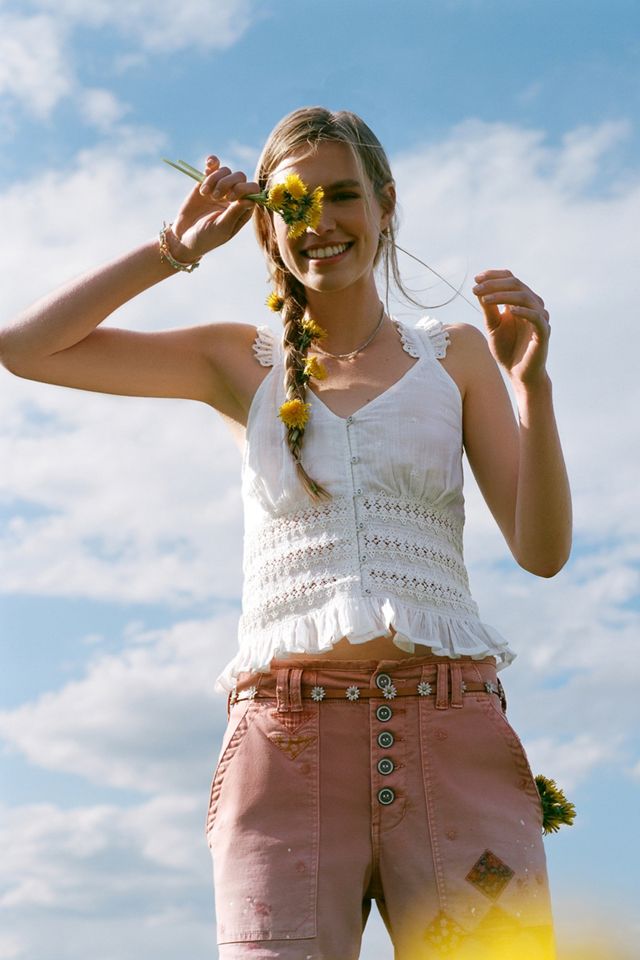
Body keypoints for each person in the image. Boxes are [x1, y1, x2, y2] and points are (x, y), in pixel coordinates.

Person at [0, 107, 571, 959]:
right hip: (286, 743)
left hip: (452, 732)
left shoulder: (453, 355)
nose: (322, 222)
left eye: (344, 195)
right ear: (267, 221)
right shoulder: (241, 362)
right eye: (296, 202)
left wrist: (533, 388)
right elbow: (25, 348)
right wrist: (175, 247)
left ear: (384, 203)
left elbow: (543, 552)